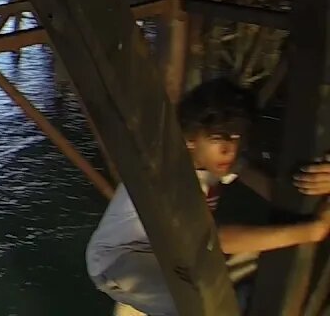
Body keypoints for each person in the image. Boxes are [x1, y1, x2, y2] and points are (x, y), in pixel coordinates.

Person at [86, 78, 330, 316]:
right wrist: (311, 231)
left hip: (174, 251)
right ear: (189, 138)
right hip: (120, 259)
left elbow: (278, 193)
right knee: (202, 305)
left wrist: (321, 182)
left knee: (256, 263)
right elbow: (215, 240)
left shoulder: (214, 160)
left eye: (237, 137)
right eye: (218, 138)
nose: (230, 150)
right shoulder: (168, 176)